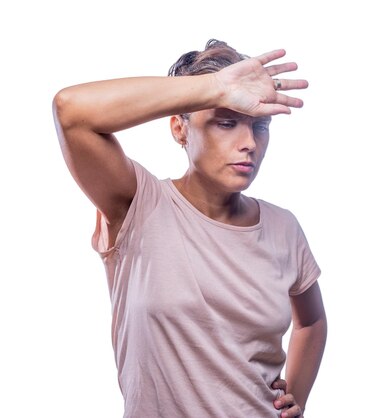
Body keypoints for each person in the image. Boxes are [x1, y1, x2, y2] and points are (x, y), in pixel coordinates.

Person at [52, 39, 327, 418]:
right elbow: (71, 112)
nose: (248, 143)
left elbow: (311, 322)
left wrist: (296, 395)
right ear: (180, 129)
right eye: (226, 122)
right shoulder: (139, 205)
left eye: (259, 126)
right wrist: (213, 89)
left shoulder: (283, 227)